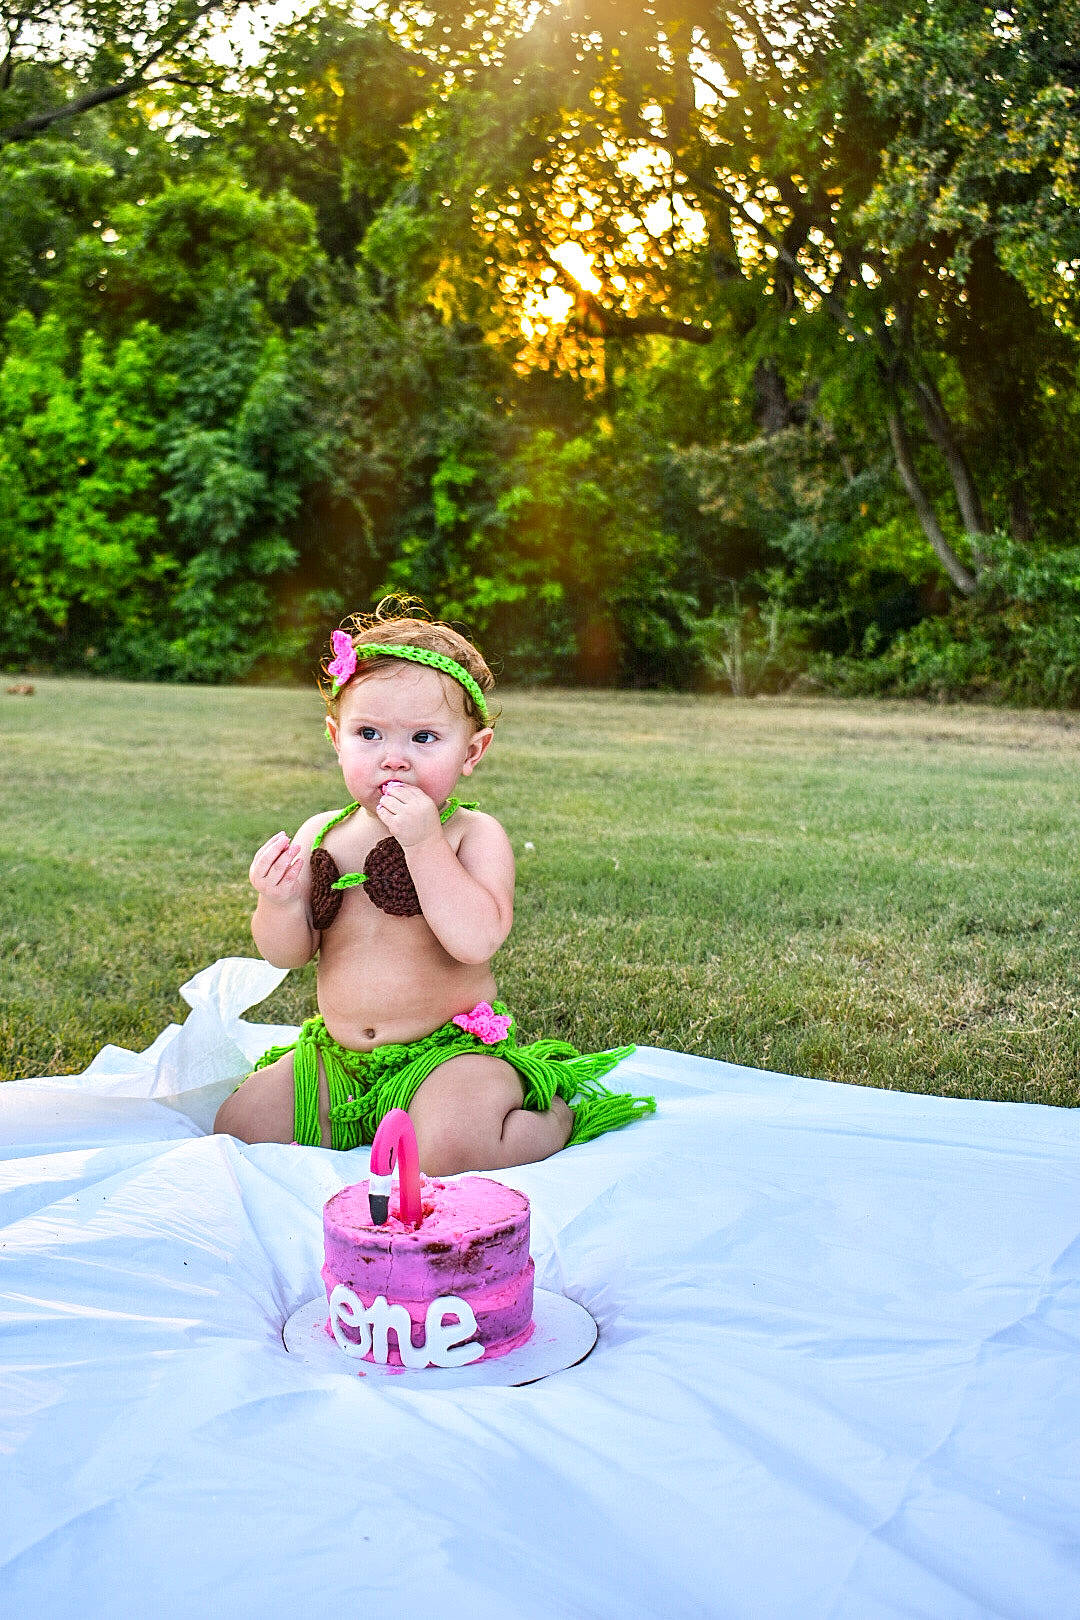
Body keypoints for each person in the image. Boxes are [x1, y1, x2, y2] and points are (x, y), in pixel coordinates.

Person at [214, 601, 653, 1173]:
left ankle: (553, 1117)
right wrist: (275, 900)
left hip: (448, 1053)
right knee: (239, 1126)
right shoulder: (323, 832)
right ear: (335, 737)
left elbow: (475, 941)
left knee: (450, 1150)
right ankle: (369, 1121)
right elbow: (289, 953)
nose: (393, 758)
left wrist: (424, 844)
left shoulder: (472, 834)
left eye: (424, 738)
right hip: (342, 1056)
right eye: (368, 734)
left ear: (472, 751)